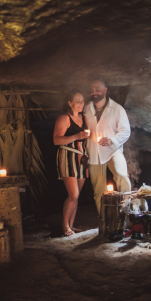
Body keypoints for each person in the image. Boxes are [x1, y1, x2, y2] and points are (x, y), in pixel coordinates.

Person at [84, 78, 131, 214]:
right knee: (98, 190)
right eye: (92, 90)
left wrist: (112, 141)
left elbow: (125, 131)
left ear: (105, 90)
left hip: (113, 150)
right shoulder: (87, 108)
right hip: (93, 153)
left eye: (97, 89)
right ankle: (103, 219)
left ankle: (126, 212)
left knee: (122, 175)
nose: (94, 92)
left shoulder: (117, 109)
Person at [53, 89, 90, 236]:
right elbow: (56, 140)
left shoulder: (85, 118)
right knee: (73, 195)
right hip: (68, 156)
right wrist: (76, 136)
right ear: (70, 103)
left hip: (82, 158)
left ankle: (71, 225)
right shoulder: (64, 118)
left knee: (77, 195)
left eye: (82, 101)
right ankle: (65, 226)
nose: (81, 104)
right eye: (77, 101)